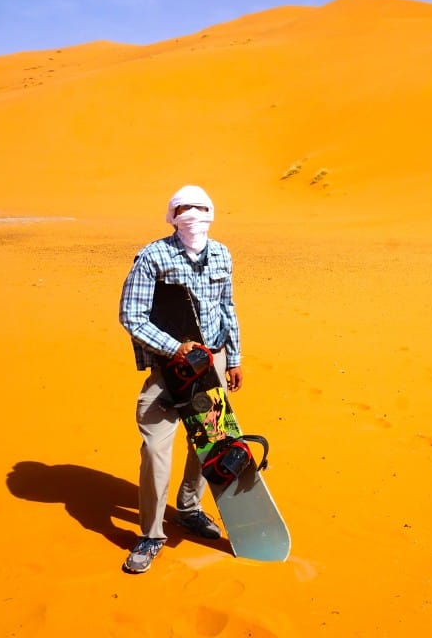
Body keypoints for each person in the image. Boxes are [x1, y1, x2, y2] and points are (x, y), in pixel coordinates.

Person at [118, 184, 242, 573]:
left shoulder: (221, 253)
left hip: (214, 361)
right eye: (184, 209)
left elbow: (228, 307)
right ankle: (151, 534)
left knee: (207, 441)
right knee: (156, 449)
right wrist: (175, 348)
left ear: (211, 213)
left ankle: (189, 508)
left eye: (200, 208)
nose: (193, 215)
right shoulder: (153, 257)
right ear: (172, 216)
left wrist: (234, 357)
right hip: (168, 371)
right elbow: (131, 315)